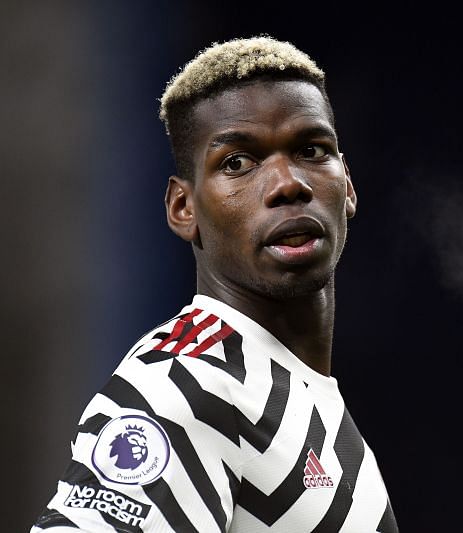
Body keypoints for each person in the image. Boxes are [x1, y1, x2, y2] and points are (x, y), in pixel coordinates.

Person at [31, 35, 398, 533]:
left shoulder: (291, 388)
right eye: (237, 163)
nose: (289, 183)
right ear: (184, 208)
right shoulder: (180, 385)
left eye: (312, 150)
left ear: (348, 185)